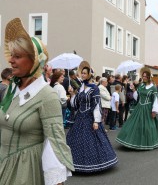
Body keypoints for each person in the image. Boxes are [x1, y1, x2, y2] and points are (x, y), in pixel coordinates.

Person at [0, 18, 74, 185]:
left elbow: (54, 143)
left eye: (17, 56)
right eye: (11, 55)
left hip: (25, 172)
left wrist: (56, 181)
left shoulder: (47, 95)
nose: (11, 60)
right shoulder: (11, 89)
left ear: (34, 61)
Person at [67, 61, 118, 172]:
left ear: (89, 74)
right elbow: (75, 104)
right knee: (76, 141)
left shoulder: (94, 88)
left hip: (90, 118)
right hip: (80, 118)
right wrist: (72, 94)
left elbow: (96, 105)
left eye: (85, 73)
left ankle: (94, 164)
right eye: (82, 73)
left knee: (92, 141)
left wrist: (96, 121)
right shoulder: (81, 87)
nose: (83, 75)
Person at [116, 67, 158, 150]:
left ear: (149, 77)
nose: (144, 77)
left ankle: (146, 142)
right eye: (143, 76)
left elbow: (155, 100)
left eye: (145, 76)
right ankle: (132, 141)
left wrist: (154, 111)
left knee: (148, 127)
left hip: (148, 108)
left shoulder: (153, 88)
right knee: (134, 125)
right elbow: (137, 97)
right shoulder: (141, 86)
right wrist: (134, 89)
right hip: (139, 107)